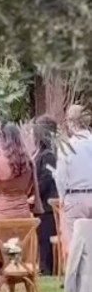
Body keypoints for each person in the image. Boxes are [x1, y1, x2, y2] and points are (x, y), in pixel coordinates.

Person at [56, 104, 92, 256]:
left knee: (75, 244)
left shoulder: (66, 145)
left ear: (70, 123)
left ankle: (77, 278)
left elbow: (61, 176)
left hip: (75, 197)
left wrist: (62, 196)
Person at [0, 122, 35, 216]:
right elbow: (30, 188)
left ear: (2, 140)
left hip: (2, 212)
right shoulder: (28, 162)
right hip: (23, 212)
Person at [32, 116, 58, 276]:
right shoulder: (40, 152)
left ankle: (47, 267)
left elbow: (46, 177)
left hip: (47, 201)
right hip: (40, 201)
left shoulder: (49, 154)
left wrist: (35, 194)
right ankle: (43, 264)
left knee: (46, 235)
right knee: (41, 234)